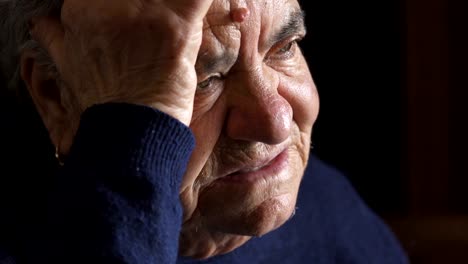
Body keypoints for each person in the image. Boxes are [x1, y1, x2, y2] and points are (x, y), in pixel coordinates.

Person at [0, 0, 409, 263]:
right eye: (203, 78)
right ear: (56, 97)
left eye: (283, 48)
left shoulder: (324, 202)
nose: (275, 122)